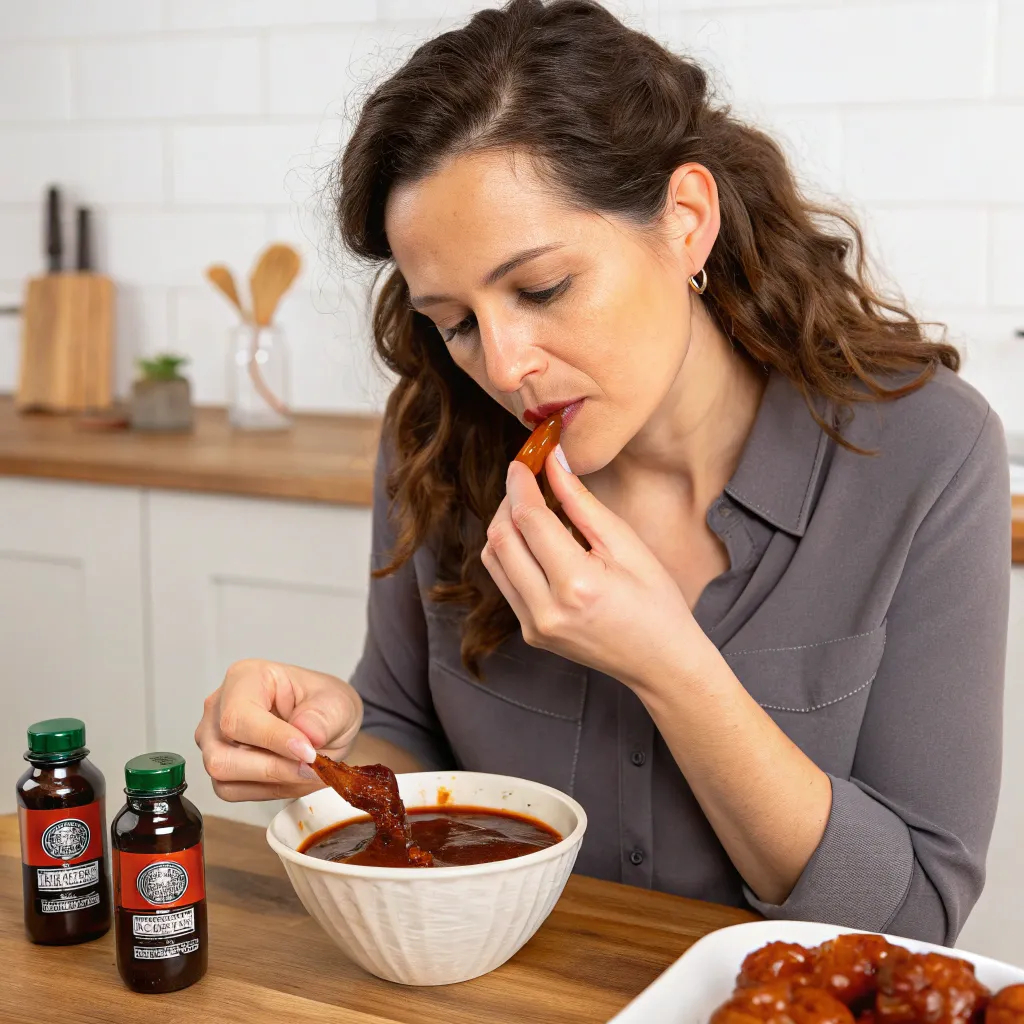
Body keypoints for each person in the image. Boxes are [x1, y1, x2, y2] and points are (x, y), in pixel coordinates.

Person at [194, 0, 1011, 943]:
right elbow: (407, 741)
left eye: (542, 289)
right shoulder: (436, 435)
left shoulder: (927, 455)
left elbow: (914, 917)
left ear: (686, 223)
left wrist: (669, 664)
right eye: (454, 321)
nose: (503, 367)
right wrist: (331, 751)